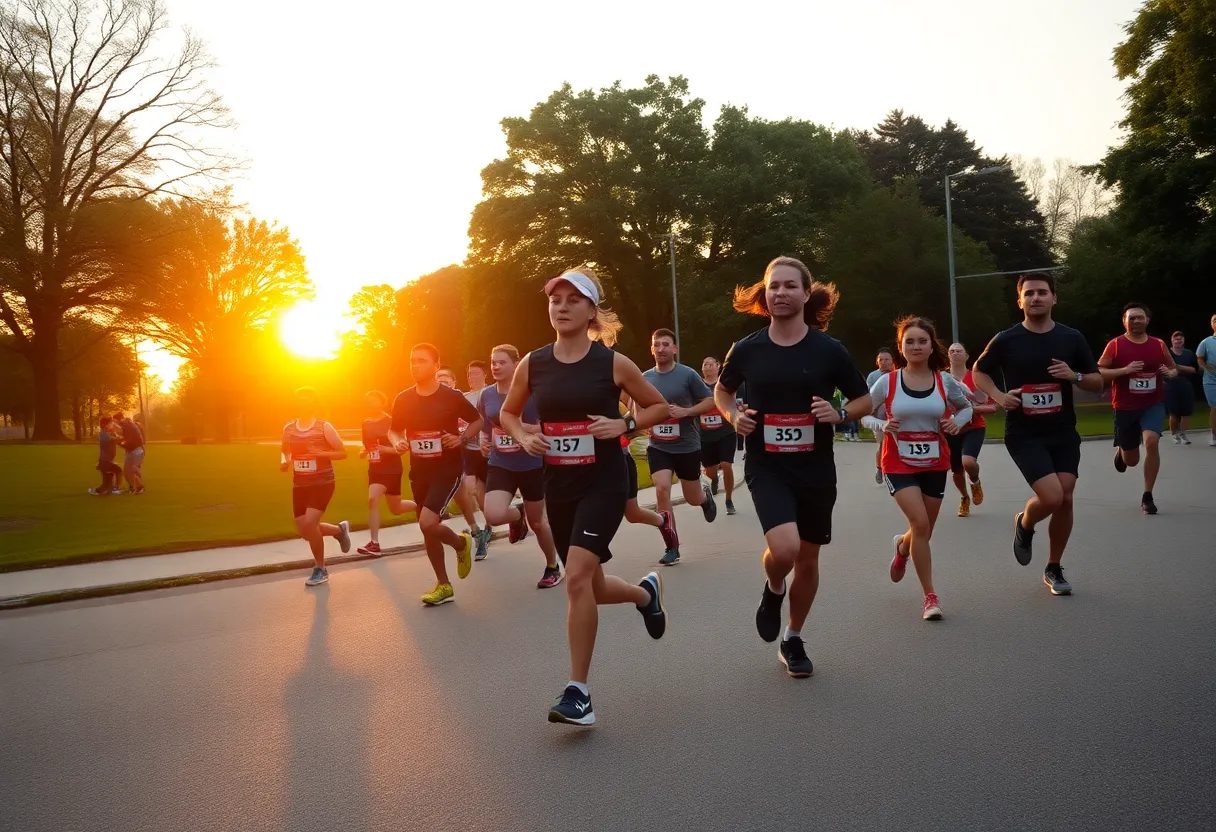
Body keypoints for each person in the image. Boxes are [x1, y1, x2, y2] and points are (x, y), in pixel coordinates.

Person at [500, 267, 669, 726]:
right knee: (590, 584)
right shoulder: (532, 363)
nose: (562, 305)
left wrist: (625, 425)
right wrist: (523, 435)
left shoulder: (613, 363)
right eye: (556, 298)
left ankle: (579, 693)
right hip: (561, 482)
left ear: (592, 311)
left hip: (605, 481)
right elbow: (508, 413)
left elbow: (658, 406)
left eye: (574, 299)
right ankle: (642, 594)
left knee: (575, 577)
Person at [715, 256, 870, 678]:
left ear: (806, 293)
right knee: (785, 548)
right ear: (764, 296)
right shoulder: (747, 349)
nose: (780, 293)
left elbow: (864, 399)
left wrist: (839, 414)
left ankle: (793, 636)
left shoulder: (828, 349)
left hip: (816, 468)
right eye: (773, 286)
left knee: (808, 559)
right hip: (767, 466)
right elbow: (722, 392)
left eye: (789, 286)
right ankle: (773, 587)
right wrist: (733, 417)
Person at [972, 274, 1103, 596]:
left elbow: (1098, 383)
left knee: (1066, 496)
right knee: (1053, 496)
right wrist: (1000, 397)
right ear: (1020, 301)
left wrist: (1074, 376)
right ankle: (1025, 523)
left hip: (1062, 430)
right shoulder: (1006, 339)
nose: (1035, 298)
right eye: (1028, 293)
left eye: (1042, 292)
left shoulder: (1071, 338)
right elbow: (978, 371)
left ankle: (1054, 567)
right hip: (1024, 433)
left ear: (1053, 298)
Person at [863, 318, 972, 621]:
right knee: (920, 524)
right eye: (909, 341)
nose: (915, 346)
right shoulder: (888, 381)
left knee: (923, 530)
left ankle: (902, 546)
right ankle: (930, 597)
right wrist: (883, 424)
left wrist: (956, 422)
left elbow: (967, 408)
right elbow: (863, 416)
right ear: (901, 347)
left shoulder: (944, 380)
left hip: (935, 461)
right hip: (898, 461)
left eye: (921, 341)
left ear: (930, 345)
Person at [388, 344, 478, 606]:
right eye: (412, 361)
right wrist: (397, 442)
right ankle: (444, 585)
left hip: (447, 469)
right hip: (420, 471)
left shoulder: (450, 396)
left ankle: (461, 544)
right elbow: (394, 430)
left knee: (428, 522)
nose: (415, 365)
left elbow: (477, 421)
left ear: (436, 366)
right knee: (427, 531)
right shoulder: (403, 399)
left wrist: (460, 438)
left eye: (421, 361)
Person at [478, 344, 563, 589]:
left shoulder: (532, 392)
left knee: (539, 523)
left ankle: (552, 566)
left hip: (531, 463)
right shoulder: (487, 395)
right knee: (493, 515)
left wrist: (526, 429)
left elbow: (550, 424)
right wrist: (485, 442)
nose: (495, 366)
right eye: (493, 362)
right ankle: (518, 516)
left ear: (515, 364)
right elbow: (487, 423)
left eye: (501, 362)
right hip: (501, 462)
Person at [639, 328, 717, 565]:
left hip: (686, 445)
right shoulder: (645, 377)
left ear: (674, 348)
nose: (660, 349)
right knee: (662, 489)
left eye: (665, 344)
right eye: (656, 345)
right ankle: (671, 545)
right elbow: (637, 407)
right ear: (652, 348)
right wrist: (642, 422)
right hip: (658, 446)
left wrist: (687, 411)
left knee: (691, 498)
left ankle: (704, 497)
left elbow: (710, 400)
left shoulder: (688, 375)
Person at [1098, 303, 1177, 515]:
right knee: (1131, 461)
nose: (1136, 321)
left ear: (1147, 320)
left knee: (1152, 441)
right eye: (1131, 318)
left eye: (1139, 317)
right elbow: (1099, 371)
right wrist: (1125, 370)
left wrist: (1169, 373)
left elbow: (1173, 369)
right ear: (1124, 321)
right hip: (1125, 406)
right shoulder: (1115, 345)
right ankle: (1122, 453)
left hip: (1153, 403)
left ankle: (1147, 495)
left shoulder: (1158, 344)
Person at [279, 387, 352, 587]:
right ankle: (338, 531)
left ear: (313, 403)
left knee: (310, 525)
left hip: (322, 482)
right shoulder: (289, 428)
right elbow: (285, 451)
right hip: (300, 483)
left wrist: (319, 454)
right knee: (304, 530)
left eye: (307, 400)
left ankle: (321, 568)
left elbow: (342, 452)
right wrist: (285, 461)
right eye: (299, 400)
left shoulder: (323, 427)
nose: (303, 403)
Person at [437, 367, 491, 556]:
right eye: (439, 379)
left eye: (446, 379)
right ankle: (477, 531)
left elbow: (480, 420)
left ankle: (485, 528)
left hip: (470, 452)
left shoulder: (460, 398)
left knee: (475, 494)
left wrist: (464, 436)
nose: (443, 382)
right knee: (465, 495)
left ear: (453, 382)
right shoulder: (431, 401)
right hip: (449, 457)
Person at [355, 391, 417, 556]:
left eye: (373, 400)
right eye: (367, 400)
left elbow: (403, 449)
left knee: (385, 503)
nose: (370, 403)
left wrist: (384, 449)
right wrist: (363, 451)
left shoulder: (391, 421)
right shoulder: (365, 423)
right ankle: (374, 543)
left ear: (382, 402)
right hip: (374, 468)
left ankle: (425, 507)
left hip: (391, 469)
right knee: (390, 507)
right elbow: (366, 445)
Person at [945, 343, 996, 516]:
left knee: (968, 462)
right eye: (951, 351)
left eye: (959, 350)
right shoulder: (941, 378)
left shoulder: (976, 378)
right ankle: (964, 498)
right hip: (951, 430)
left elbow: (992, 407)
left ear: (967, 356)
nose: (955, 353)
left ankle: (975, 481)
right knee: (956, 470)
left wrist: (970, 410)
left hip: (974, 427)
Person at [462, 360, 493, 560]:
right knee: (470, 488)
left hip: (489, 451)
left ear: (484, 375)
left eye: (476, 373)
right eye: (469, 374)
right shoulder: (464, 398)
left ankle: (489, 525)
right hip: (470, 451)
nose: (472, 377)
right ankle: (480, 530)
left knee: (484, 495)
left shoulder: (491, 393)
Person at [700, 356, 738, 515]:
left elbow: (733, 402)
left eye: (711, 364)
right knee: (709, 470)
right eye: (705, 364)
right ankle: (714, 479)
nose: (708, 367)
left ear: (718, 366)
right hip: (705, 434)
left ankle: (729, 500)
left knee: (727, 464)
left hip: (726, 432)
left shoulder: (724, 384)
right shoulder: (697, 384)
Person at [867, 348, 896, 483]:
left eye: (887, 359)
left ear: (892, 361)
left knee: (897, 444)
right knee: (883, 444)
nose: (884, 362)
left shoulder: (899, 374)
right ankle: (880, 468)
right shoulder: (873, 376)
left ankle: (895, 470)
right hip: (879, 418)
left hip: (896, 417)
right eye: (881, 360)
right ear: (877, 362)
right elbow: (870, 397)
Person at [1165, 331, 1199, 444]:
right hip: (1171, 386)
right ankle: (1174, 434)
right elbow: (1164, 369)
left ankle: (1183, 434)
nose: (1178, 340)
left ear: (1183, 340)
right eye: (1176, 339)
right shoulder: (1167, 353)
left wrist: (1177, 367)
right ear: (1172, 340)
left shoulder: (1189, 354)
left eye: (1180, 339)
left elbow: (1194, 369)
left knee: (1186, 413)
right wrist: (1183, 369)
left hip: (1186, 386)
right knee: (1174, 413)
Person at [89, 416, 124, 495]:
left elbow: (115, 438)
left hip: (106, 461)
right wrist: (121, 437)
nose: (113, 424)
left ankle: (99, 490)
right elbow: (113, 439)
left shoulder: (106, 433)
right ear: (105, 425)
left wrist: (116, 434)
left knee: (107, 484)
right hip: (105, 462)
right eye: (111, 423)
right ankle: (116, 488)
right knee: (119, 470)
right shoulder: (103, 434)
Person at [1195, 315, 1216, 446]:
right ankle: (1214, 435)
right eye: (1215, 321)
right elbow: (1200, 358)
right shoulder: (1206, 342)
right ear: (1212, 324)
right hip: (1211, 381)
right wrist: (1207, 368)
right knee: (1215, 407)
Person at [113, 412, 145, 494]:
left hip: (136, 450)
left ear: (118, 419)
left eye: (115, 421)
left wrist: (118, 442)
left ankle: (139, 488)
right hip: (132, 450)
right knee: (127, 471)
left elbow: (128, 442)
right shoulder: (128, 424)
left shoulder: (125, 424)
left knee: (132, 470)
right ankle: (133, 487)